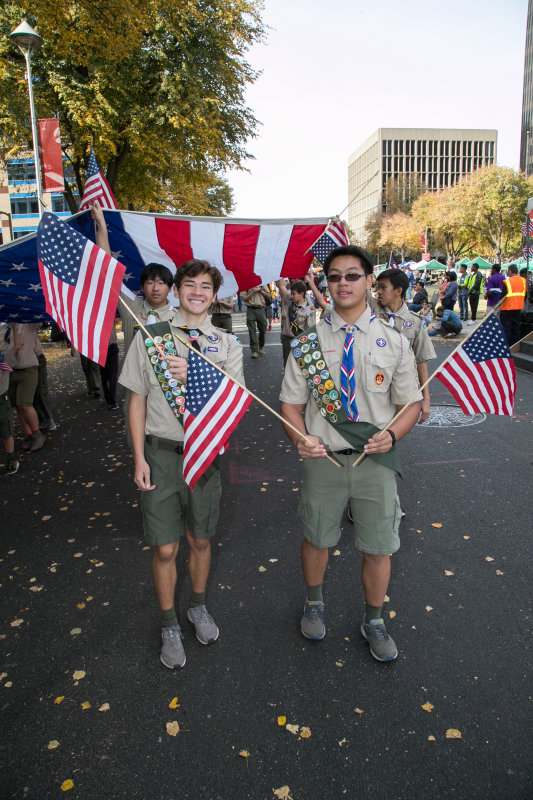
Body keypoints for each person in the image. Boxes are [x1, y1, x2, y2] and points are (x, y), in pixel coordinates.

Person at [280, 245, 421, 663]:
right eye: (335, 276)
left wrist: (392, 437)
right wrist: (300, 438)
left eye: (352, 275)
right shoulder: (307, 344)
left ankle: (374, 619)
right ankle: (314, 602)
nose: (343, 283)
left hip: (373, 461)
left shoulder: (394, 342)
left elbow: (410, 404)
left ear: (368, 281)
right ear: (328, 282)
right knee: (317, 538)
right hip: (322, 460)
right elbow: (289, 404)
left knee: (379, 546)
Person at [119, 259, 245, 670]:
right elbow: (136, 399)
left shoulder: (226, 345)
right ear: (176, 290)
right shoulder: (152, 335)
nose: (196, 292)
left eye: (205, 286)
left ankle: (197, 606)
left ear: (215, 294)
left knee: (201, 540)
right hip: (160, 453)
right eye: (189, 284)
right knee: (166, 546)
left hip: (203, 454)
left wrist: (195, 374)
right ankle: (170, 623)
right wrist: (138, 457)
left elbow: (235, 401)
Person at [373, 268, 436, 424]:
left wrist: (425, 398)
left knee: (396, 428)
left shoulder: (415, 322)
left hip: (402, 386)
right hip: (375, 384)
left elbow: (421, 361)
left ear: (398, 290)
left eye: (383, 287)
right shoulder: (371, 311)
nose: (378, 292)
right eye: (377, 287)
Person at [8, 324, 46, 452]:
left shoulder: (29, 324)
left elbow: (39, 320)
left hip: (28, 369)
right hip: (11, 371)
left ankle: (37, 434)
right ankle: (28, 434)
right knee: (18, 406)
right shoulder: (4, 327)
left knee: (25, 404)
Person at [277, 278, 316, 365]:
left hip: (301, 340)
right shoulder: (289, 302)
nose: (291, 296)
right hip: (288, 339)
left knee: (301, 365)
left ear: (302, 294)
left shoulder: (309, 310)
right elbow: (281, 286)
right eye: (291, 294)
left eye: (293, 294)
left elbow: (311, 329)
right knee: (287, 364)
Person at [1, 323, 20, 474]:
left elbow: (16, 348)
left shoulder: (4, 356)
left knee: (5, 427)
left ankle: (11, 458)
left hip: (1, 393)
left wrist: (14, 328)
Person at [500, 265, 527, 346]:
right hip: (518, 308)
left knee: (507, 329)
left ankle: (508, 346)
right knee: (516, 328)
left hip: (507, 308)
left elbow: (502, 296)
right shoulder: (523, 280)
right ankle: (515, 346)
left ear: (510, 271)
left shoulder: (507, 281)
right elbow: (524, 294)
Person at [241, 285, 270, 358]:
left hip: (260, 309)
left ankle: (261, 346)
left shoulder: (262, 282)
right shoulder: (245, 283)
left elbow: (268, 296)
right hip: (250, 309)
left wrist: (260, 290)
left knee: (263, 329)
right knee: (252, 330)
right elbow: (244, 299)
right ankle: (254, 350)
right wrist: (252, 292)